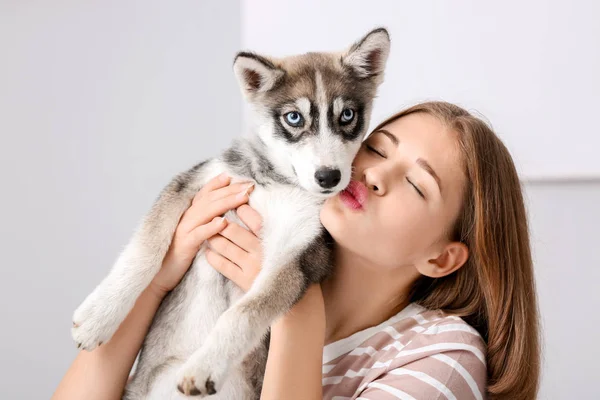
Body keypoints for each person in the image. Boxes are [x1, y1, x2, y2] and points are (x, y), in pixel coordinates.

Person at [52, 101, 540, 400]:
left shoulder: (443, 358)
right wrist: (158, 279)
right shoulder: (254, 252)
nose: (372, 174)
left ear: (441, 258)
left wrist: (294, 317)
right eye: (377, 148)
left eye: (415, 184)